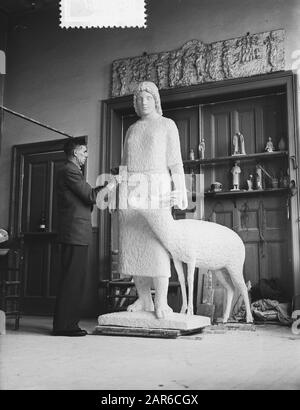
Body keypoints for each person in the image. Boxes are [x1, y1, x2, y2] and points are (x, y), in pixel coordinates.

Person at [118, 81, 187, 319]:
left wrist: (181, 190)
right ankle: (144, 298)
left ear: (156, 100)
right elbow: (124, 166)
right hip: (132, 188)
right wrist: (120, 197)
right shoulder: (132, 129)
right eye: (139, 99)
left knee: (156, 243)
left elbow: (176, 162)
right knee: (134, 243)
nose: (143, 102)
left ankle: (162, 301)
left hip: (157, 185)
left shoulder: (167, 125)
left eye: (147, 98)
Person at [53, 139, 105, 336]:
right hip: (74, 233)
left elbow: (84, 198)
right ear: (74, 152)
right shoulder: (70, 170)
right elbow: (90, 196)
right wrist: (109, 187)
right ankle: (65, 326)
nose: (86, 155)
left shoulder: (70, 170)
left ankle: (65, 324)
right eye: (83, 151)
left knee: (72, 280)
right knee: (71, 281)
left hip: (75, 233)